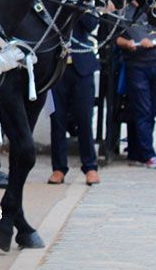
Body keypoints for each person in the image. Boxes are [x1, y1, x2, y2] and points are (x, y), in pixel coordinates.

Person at [48, 13, 101, 185]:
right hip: (56, 68)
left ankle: (90, 166)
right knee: (57, 120)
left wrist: (79, 5)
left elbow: (91, 23)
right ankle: (58, 168)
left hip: (82, 67)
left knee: (85, 118)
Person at [116, 2, 156, 169]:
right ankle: (148, 154)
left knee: (152, 110)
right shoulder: (124, 10)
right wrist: (127, 44)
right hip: (137, 65)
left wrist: (152, 43)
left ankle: (137, 151)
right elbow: (115, 37)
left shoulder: (155, 7)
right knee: (142, 110)